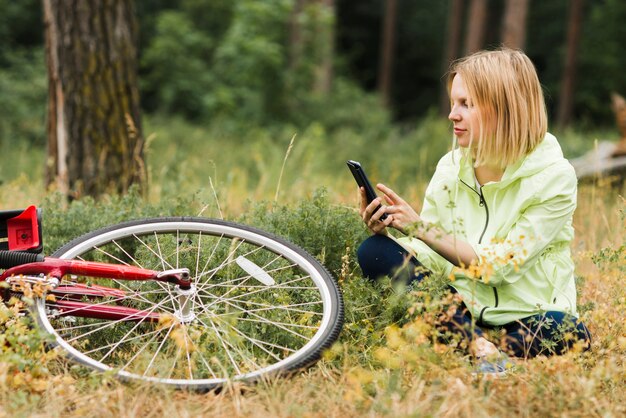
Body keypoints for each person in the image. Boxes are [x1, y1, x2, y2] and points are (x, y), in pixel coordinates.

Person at [356, 48, 591, 375]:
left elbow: (499, 267)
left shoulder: (554, 178)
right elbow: (431, 255)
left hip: (528, 316)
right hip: (461, 309)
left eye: (466, 104)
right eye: (453, 103)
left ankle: (468, 345)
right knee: (374, 251)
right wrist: (396, 237)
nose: (453, 114)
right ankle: (478, 345)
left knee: (567, 332)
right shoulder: (450, 167)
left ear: (506, 109)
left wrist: (419, 227)